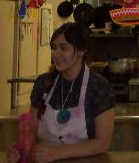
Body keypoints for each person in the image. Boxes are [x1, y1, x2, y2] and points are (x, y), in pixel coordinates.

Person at [7, 23, 116, 163]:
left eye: (63, 48)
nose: (56, 54)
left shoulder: (98, 87)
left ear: (81, 51)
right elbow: (31, 131)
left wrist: (57, 153)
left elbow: (102, 143)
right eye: (54, 47)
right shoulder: (43, 83)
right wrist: (20, 151)